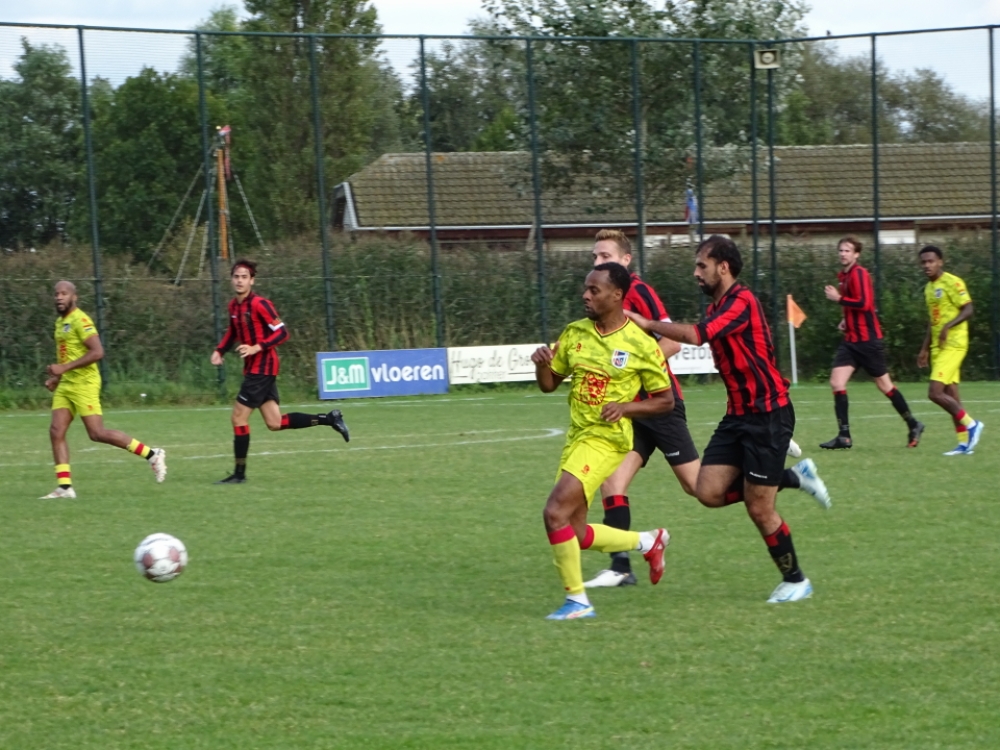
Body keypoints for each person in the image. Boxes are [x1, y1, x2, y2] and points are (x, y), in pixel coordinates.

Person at [625, 236, 829, 604]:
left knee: (759, 507)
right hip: (738, 416)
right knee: (706, 492)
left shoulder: (742, 302)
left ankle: (797, 580)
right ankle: (795, 477)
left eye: (701, 265)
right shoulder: (720, 305)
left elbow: (697, 336)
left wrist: (645, 321)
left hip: (769, 414)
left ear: (724, 267)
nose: (695, 272)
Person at [531, 262, 674, 620]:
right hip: (578, 437)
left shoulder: (639, 344)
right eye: (585, 288)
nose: (586, 294)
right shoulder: (575, 332)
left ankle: (577, 602)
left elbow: (665, 400)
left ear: (617, 296)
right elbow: (549, 385)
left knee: (554, 513)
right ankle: (647, 541)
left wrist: (625, 407)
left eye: (594, 290)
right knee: (574, 531)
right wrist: (541, 364)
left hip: (608, 440)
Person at [583, 229, 700, 588]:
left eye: (605, 256)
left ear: (626, 260)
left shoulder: (639, 290)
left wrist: (632, 370)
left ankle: (786, 475)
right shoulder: (603, 300)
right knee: (611, 481)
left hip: (660, 405)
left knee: (699, 488)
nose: (598, 263)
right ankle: (621, 568)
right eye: (595, 257)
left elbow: (672, 343)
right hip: (632, 409)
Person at [211, 259, 349, 484]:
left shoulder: (260, 304)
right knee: (275, 423)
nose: (239, 280)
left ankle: (239, 474)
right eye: (236, 276)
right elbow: (232, 332)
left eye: (244, 277)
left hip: (262, 369)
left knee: (238, 418)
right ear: (231, 279)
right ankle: (330, 419)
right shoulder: (233, 307)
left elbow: (282, 333)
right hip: (254, 370)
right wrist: (220, 351)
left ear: (252, 280)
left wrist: (257, 347)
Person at [40, 281, 167, 499]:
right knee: (56, 431)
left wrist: (64, 368)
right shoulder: (60, 323)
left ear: (74, 297)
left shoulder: (81, 320)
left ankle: (152, 454)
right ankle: (64, 487)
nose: (59, 297)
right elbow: (67, 355)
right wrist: (57, 378)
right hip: (67, 384)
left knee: (97, 433)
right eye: (56, 294)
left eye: (64, 293)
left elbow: (98, 352)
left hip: (85, 384)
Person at [821, 235, 923, 449]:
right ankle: (844, 436)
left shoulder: (859, 274)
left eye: (847, 250)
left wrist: (839, 299)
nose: (843, 254)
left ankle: (913, 424)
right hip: (850, 341)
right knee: (837, 382)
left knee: (884, 385)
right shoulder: (844, 276)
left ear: (856, 254)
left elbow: (865, 304)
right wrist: (845, 319)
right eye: (841, 250)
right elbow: (854, 307)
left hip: (868, 342)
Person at [916, 245, 984, 455]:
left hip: (954, 344)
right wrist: (924, 348)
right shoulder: (928, 289)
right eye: (924, 262)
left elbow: (969, 309)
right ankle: (964, 444)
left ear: (940, 262)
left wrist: (948, 326)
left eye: (931, 261)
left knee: (934, 392)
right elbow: (932, 321)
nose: (927, 265)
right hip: (939, 347)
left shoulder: (953, 282)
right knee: (951, 395)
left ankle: (972, 425)